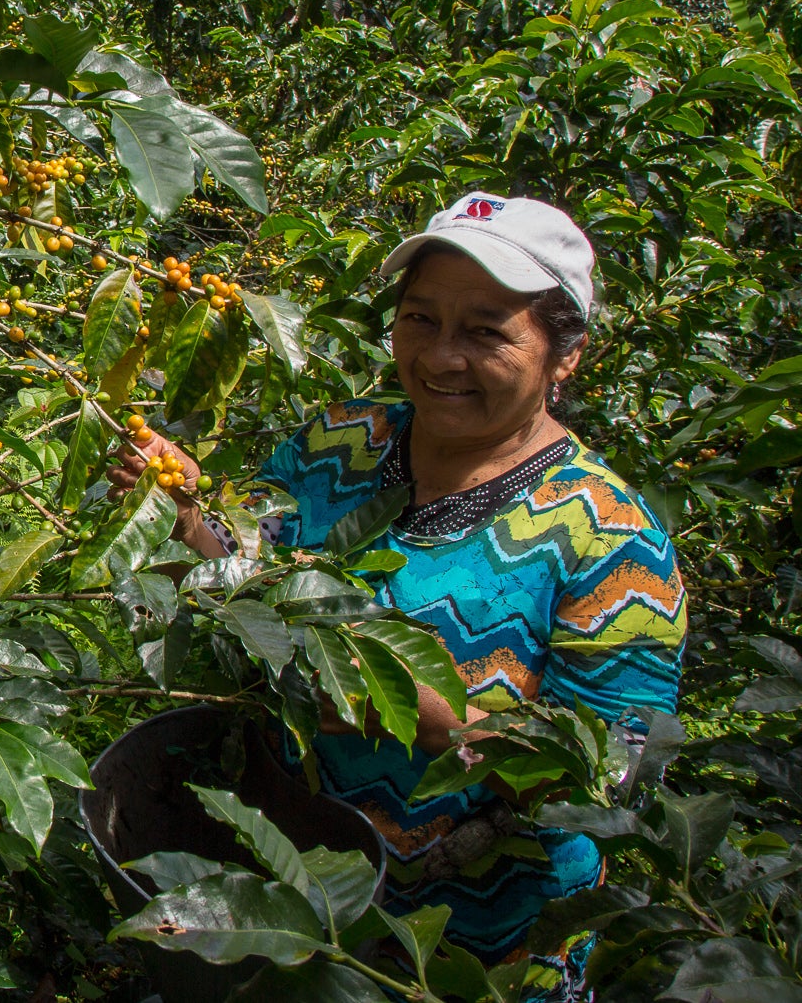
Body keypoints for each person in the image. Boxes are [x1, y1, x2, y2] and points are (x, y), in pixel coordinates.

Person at [113, 192, 686, 995]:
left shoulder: (614, 539)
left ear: (566, 355)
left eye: (485, 331)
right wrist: (185, 521)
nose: (441, 356)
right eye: (420, 318)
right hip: (289, 891)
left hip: (477, 951)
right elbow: (240, 583)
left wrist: (417, 713)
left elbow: (616, 782)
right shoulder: (340, 442)